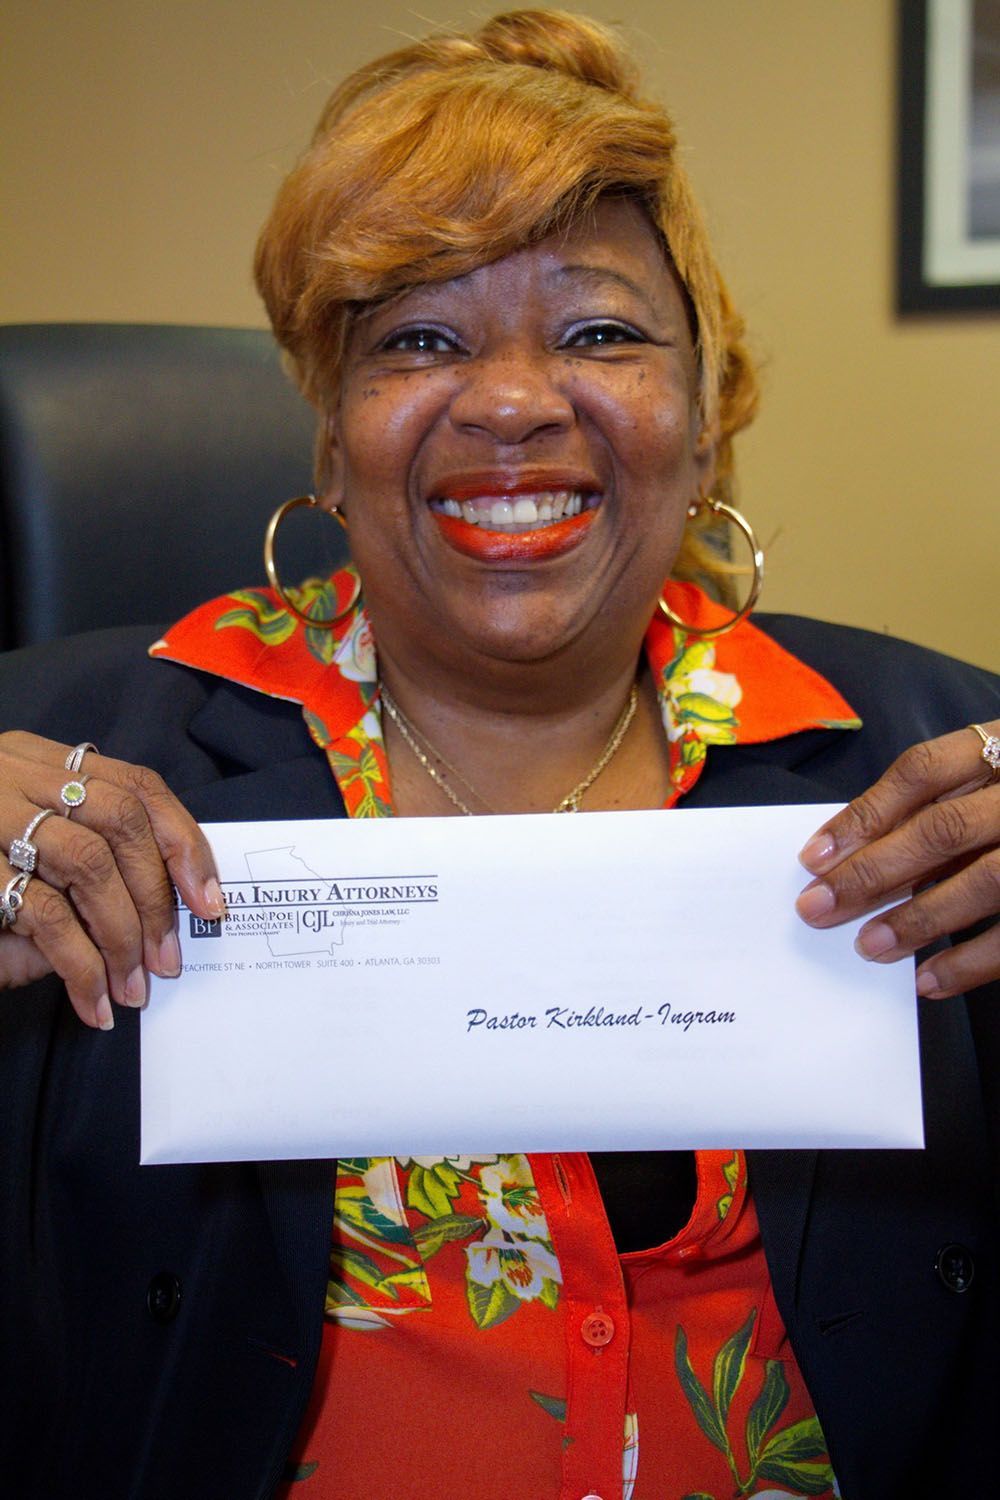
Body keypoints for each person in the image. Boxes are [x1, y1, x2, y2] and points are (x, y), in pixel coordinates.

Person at [0, 10, 998, 1498]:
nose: (516, 401)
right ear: (331, 438)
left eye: (599, 332)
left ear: (705, 415)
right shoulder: (65, 767)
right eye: (417, 337)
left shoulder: (931, 768)